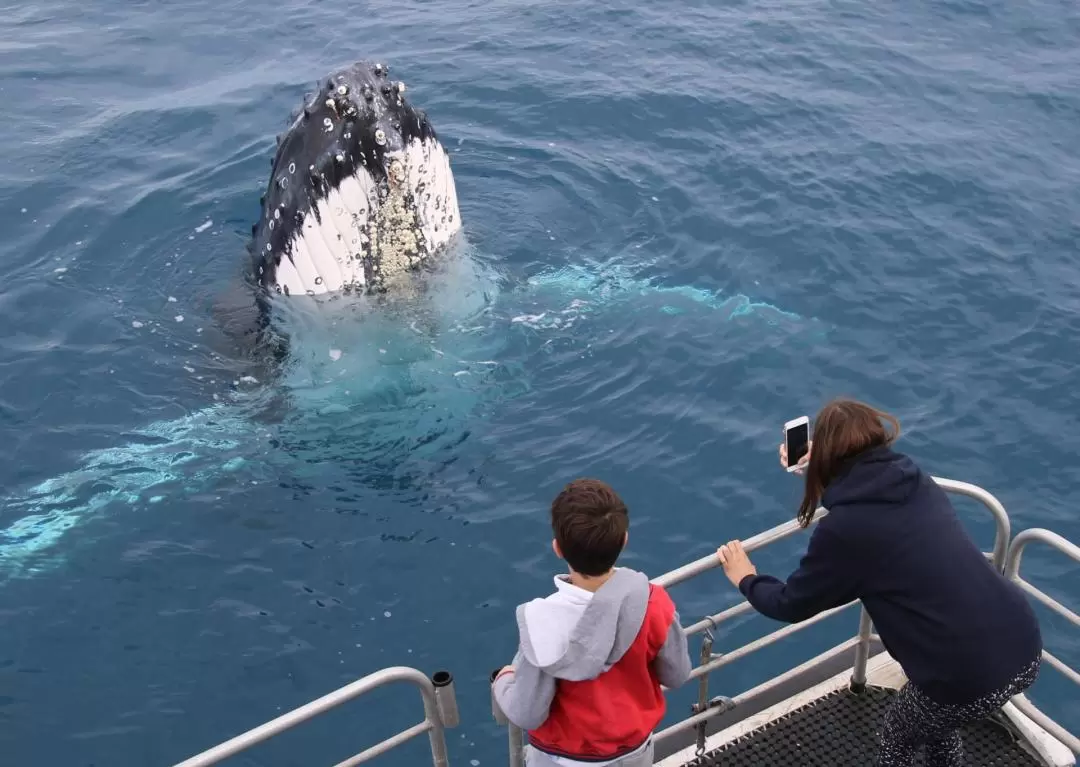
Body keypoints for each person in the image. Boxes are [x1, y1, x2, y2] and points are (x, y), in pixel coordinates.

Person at [715, 398, 1042, 767]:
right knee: (936, 722)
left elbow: (792, 603)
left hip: (965, 677)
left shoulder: (845, 531)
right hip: (1023, 645)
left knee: (898, 737)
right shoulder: (914, 479)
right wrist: (816, 464)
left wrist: (746, 578)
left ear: (829, 459)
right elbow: (866, 484)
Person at [491, 478, 693, 767]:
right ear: (624, 540)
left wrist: (504, 680)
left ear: (557, 548)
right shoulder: (654, 603)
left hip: (561, 760)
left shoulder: (542, 623)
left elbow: (527, 713)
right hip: (634, 753)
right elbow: (677, 674)